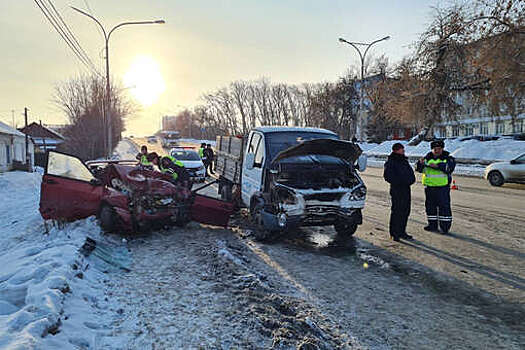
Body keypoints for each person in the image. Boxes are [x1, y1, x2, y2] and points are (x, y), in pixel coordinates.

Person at [416, 140, 456, 234]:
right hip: (429, 187)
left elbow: (449, 168)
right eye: (435, 149)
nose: (437, 151)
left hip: (442, 188)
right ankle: (432, 225)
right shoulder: (427, 158)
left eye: (439, 149)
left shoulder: (447, 158)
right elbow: (418, 169)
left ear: (442, 149)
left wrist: (438, 165)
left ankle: (444, 227)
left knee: (444, 208)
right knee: (430, 207)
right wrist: (419, 164)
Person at [384, 143, 416, 242]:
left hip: (406, 189)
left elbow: (411, 174)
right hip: (397, 189)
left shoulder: (404, 161)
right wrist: (400, 182)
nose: (403, 151)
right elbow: (388, 176)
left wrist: (410, 180)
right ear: (395, 150)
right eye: (401, 150)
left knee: (405, 211)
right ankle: (394, 233)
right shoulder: (391, 162)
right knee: (397, 211)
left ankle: (402, 231)